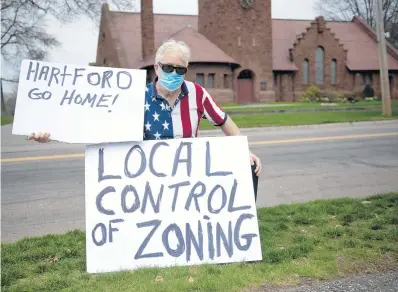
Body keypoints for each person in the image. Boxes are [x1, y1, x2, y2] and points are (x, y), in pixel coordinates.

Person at [28, 39, 262, 180]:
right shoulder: (135, 96)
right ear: (157, 68)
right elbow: (93, 125)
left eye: (180, 70)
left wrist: (242, 150)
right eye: (168, 68)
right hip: (149, 177)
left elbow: (224, 121)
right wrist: (51, 134)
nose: (174, 74)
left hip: (188, 175)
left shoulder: (198, 94)